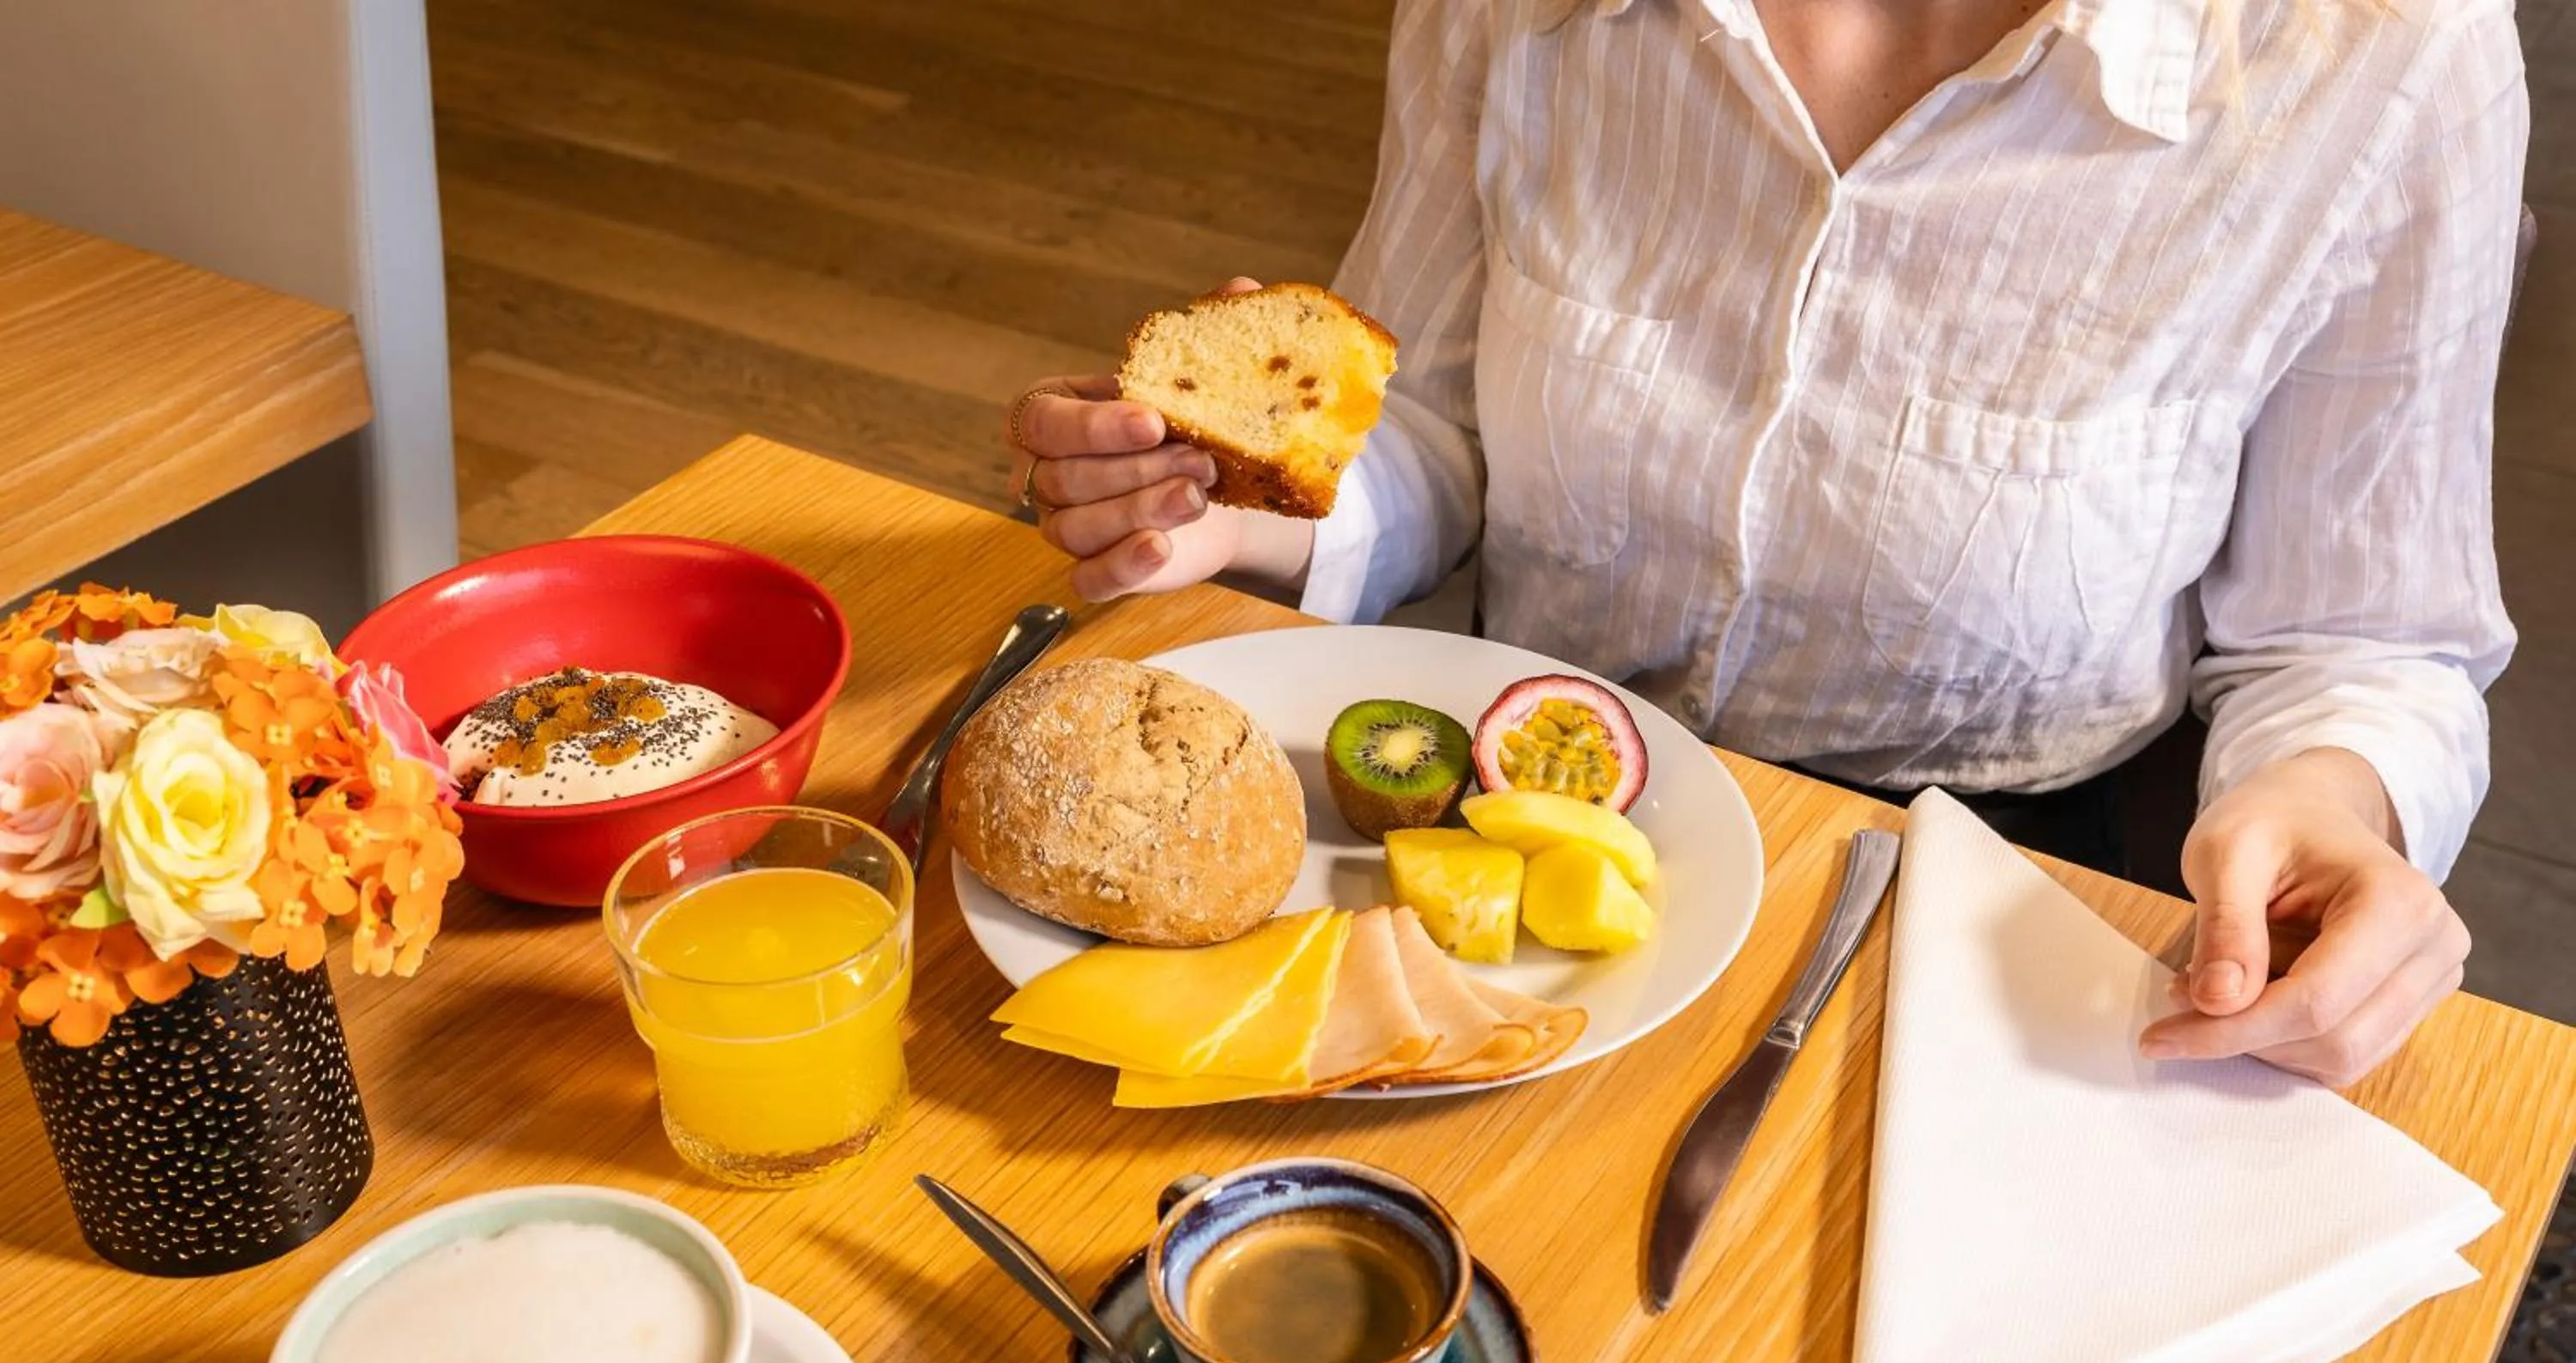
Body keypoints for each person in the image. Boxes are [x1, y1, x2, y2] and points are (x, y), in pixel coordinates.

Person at [1001, 0, 2527, 1087]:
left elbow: (2367, 642)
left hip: (1995, 912)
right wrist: (1238, 517)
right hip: (1518, 843)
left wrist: (2340, 806)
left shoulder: (2387, 57)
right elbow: (1440, 424)